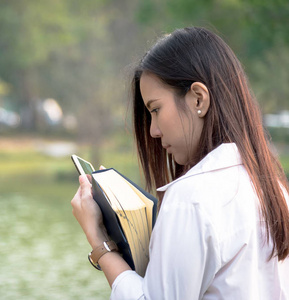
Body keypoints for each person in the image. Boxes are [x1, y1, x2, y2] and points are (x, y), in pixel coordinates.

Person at [71, 27, 289, 299]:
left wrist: (99, 239)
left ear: (198, 98)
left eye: (156, 110)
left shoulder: (191, 199)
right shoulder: (272, 188)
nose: (153, 131)